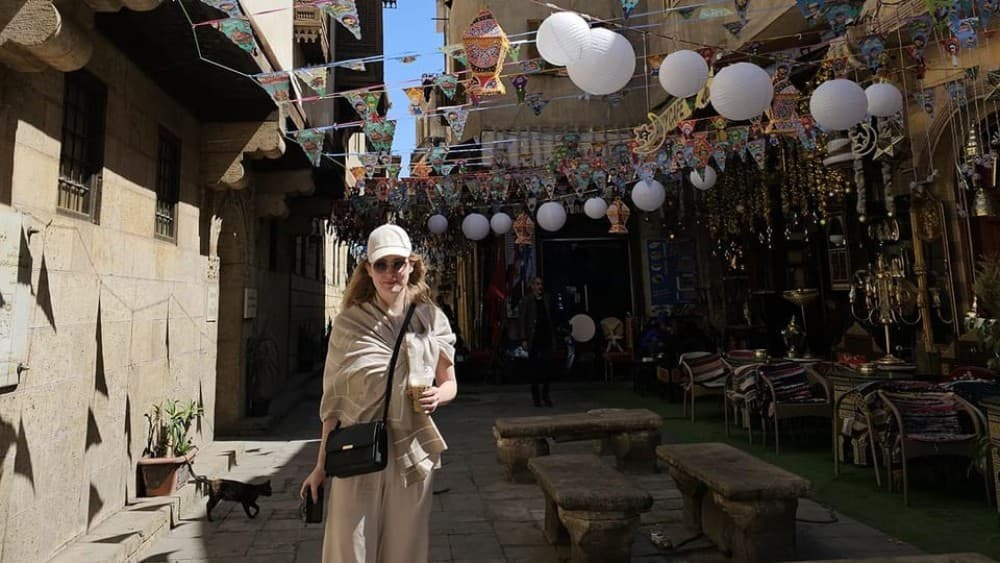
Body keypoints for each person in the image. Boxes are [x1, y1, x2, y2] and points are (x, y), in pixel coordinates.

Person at [299, 224, 457, 563]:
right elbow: (334, 405)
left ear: (411, 265)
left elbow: (450, 383)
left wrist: (438, 396)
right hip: (357, 450)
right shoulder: (348, 324)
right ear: (368, 269)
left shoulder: (431, 319)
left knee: (405, 551)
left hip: (411, 453)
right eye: (381, 264)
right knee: (350, 551)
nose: (390, 273)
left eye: (397, 263)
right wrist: (320, 466)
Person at [518, 277, 556, 407]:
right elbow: (522, 319)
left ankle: (546, 395)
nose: (540, 286)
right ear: (532, 286)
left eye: (541, 284)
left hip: (546, 337)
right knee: (534, 368)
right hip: (533, 338)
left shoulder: (547, 299)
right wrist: (523, 338)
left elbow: (551, 317)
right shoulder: (527, 300)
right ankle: (536, 398)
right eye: (537, 284)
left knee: (547, 367)